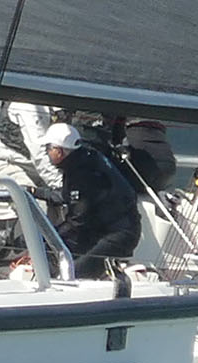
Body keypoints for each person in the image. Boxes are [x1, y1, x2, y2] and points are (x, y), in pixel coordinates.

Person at [44, 114, 146, 278]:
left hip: (117, 235)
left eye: (48, 148)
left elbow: (77, 221)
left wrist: (48, 238)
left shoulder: (81, 173)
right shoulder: (84, 158)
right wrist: (36, 192)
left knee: (72, 274)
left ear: (59, 151)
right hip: (106, 230)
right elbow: (68, 196)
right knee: (61, 256)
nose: (47, 152)